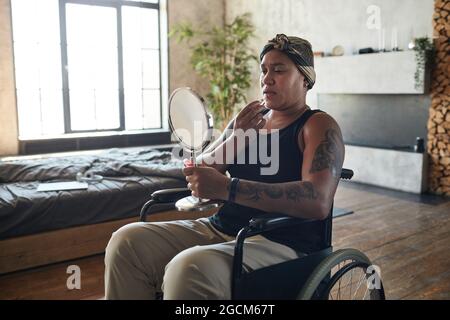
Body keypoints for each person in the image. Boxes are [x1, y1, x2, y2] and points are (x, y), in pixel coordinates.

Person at [104, 34, 345, 300]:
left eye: (279, 70)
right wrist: (234, 137)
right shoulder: (250, 117)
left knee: (188, 268)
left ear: (305, 78)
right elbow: (199, 172)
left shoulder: (317, 125)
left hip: (282, 241)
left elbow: (318, 201)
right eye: (264, 70)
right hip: (223, 227)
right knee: (126, 241)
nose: (267, 78)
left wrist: (229, 188)